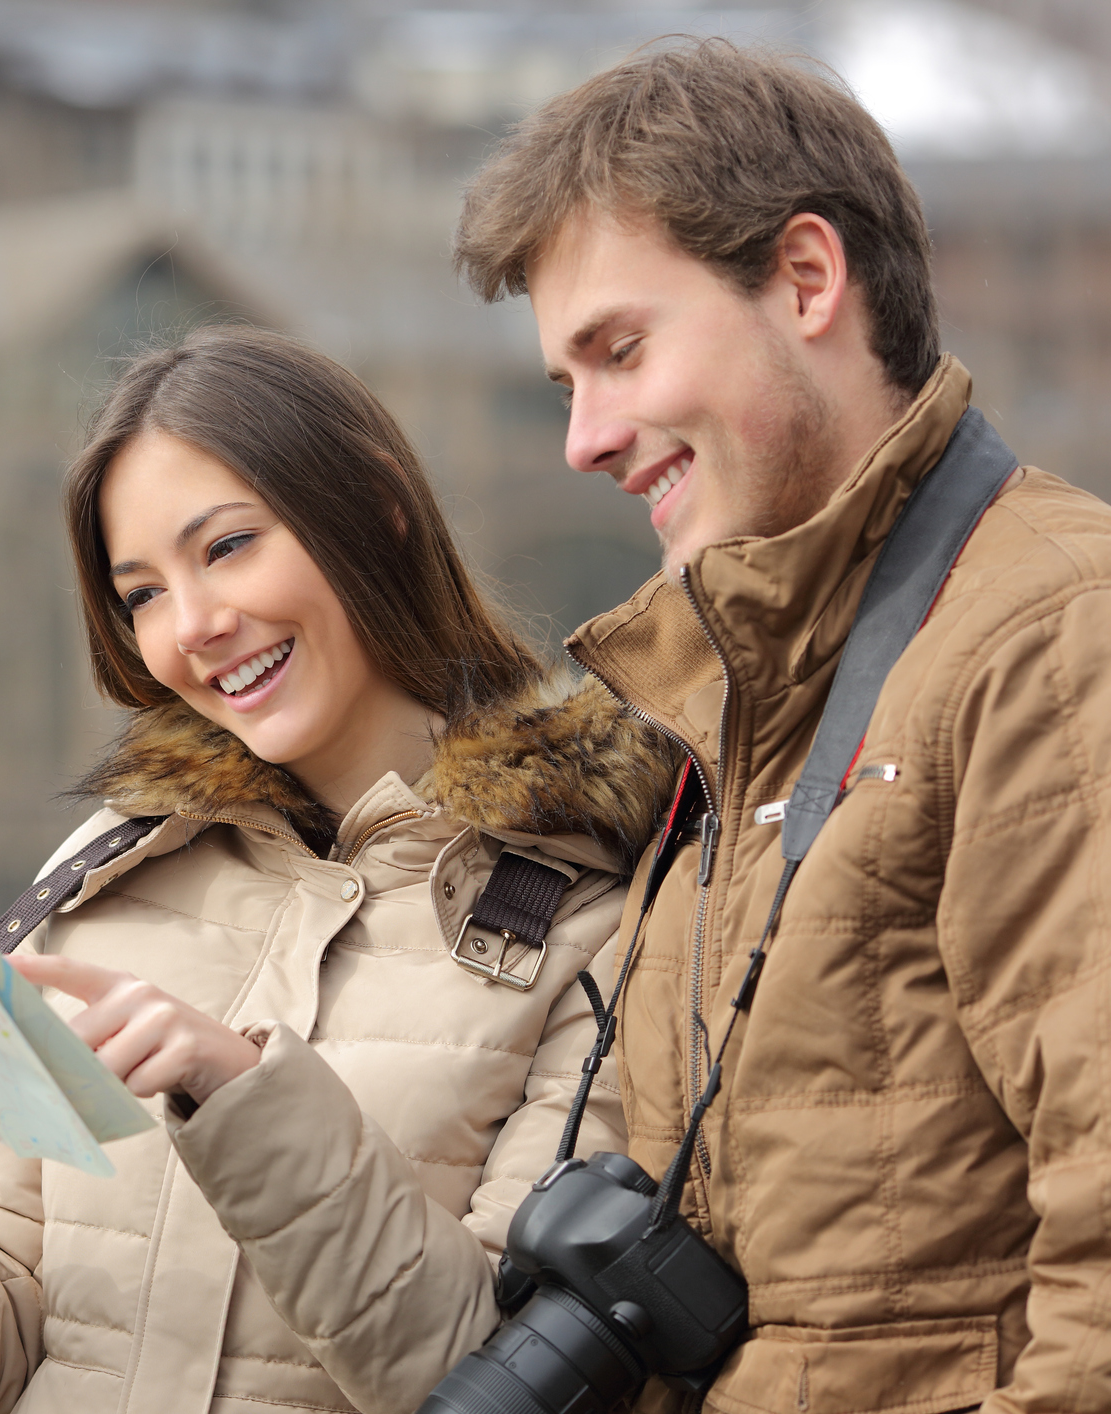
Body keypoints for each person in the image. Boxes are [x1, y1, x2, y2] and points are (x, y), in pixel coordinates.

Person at [0, 324, 678, 1414]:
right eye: (143, 594)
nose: (195, 627)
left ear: (377, 507)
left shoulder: (602, 912)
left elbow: (504, 1382)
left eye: (226, 547)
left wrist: (241, 1095)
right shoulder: (112, 871)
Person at [452, 39, 1111, 1414]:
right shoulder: (731, 697)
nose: (582, 436)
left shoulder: (1052, 638)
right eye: (565, 381)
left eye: (618, 350)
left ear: (806, 279)